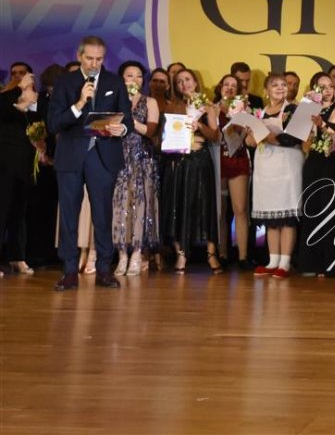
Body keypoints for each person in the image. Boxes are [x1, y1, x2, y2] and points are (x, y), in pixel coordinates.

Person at [47, 36, 133, 291]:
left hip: (103, 156)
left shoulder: (114, 82)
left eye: (99, 59)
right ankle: (69, 270)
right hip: (71, 155)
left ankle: (104, 269)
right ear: (79, 56)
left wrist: (121, 129)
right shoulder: (65, 82)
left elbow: (127, 120)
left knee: (103, 214)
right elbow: (54, 123)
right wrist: (80, 103)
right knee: (69, 215)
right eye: (90, 58)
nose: (94, 64)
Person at [160, 68, 222, 274]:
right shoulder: (173, 107)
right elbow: (165, 137)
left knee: (205, 205)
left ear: (195, 82)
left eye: (187, 79)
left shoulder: (208, 106)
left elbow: (215, 136)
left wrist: (199, 127)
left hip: (200, 160)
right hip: (179, 161)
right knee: (179, 206)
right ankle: (181, 254)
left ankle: (211, 254)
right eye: (179, 81)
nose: (184, 84)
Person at [297, 72, 335, 278]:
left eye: (330, 86)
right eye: (322, 87)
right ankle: (312, 262)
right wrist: (307, 122)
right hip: (313, 164)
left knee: (331, 212)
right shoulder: (307, 110)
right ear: (314, 89)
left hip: (333, 165)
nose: (328, 90)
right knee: (312, 211)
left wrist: (322, 125)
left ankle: (333, 264)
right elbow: (305, 146)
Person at [248, 74, 304, 279]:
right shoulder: (260, 112)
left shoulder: (294, 109)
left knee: (287, 217)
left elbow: (295, 138)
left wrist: (268, 136)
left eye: (283, 85)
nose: (280, 88)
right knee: (271, 216)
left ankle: (285, 262)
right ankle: (272, 260)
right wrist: (251, 131)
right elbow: (250, 142)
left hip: (287, 165)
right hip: (265, 167)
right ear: (266, 90)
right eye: (275, 85)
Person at [110, 61, 160, 276]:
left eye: (139, 75)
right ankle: (122, 254)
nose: (134, 79)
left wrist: (129, 118)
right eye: (130, 75)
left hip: (142, 159)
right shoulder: (113, 100)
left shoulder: (150, 101)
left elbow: (150, 131)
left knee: (140, 205)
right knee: (119, 205)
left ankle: (138, 253)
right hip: (119, 158)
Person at [0, 67, 44, 276]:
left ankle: (17, 256)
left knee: (19, 215)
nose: (31, 91)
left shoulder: (34, 110)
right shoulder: (6, 105)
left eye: (31, 88)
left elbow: (42, 125)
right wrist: (19, 90)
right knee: (2, 212)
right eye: (27, 88)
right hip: (5, 167)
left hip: (25, 168)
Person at [216, 75, 253, 269]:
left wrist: (240, 120)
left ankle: (243, 256)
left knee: (240, 209)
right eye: (226, 84)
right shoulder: (211, 108)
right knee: (220, 211)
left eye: (234, 85)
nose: (229, 88)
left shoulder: (244, 110)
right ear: (220, 87)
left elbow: (247, 135)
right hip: (218, 160)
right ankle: (222, 254)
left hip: (237, 160)